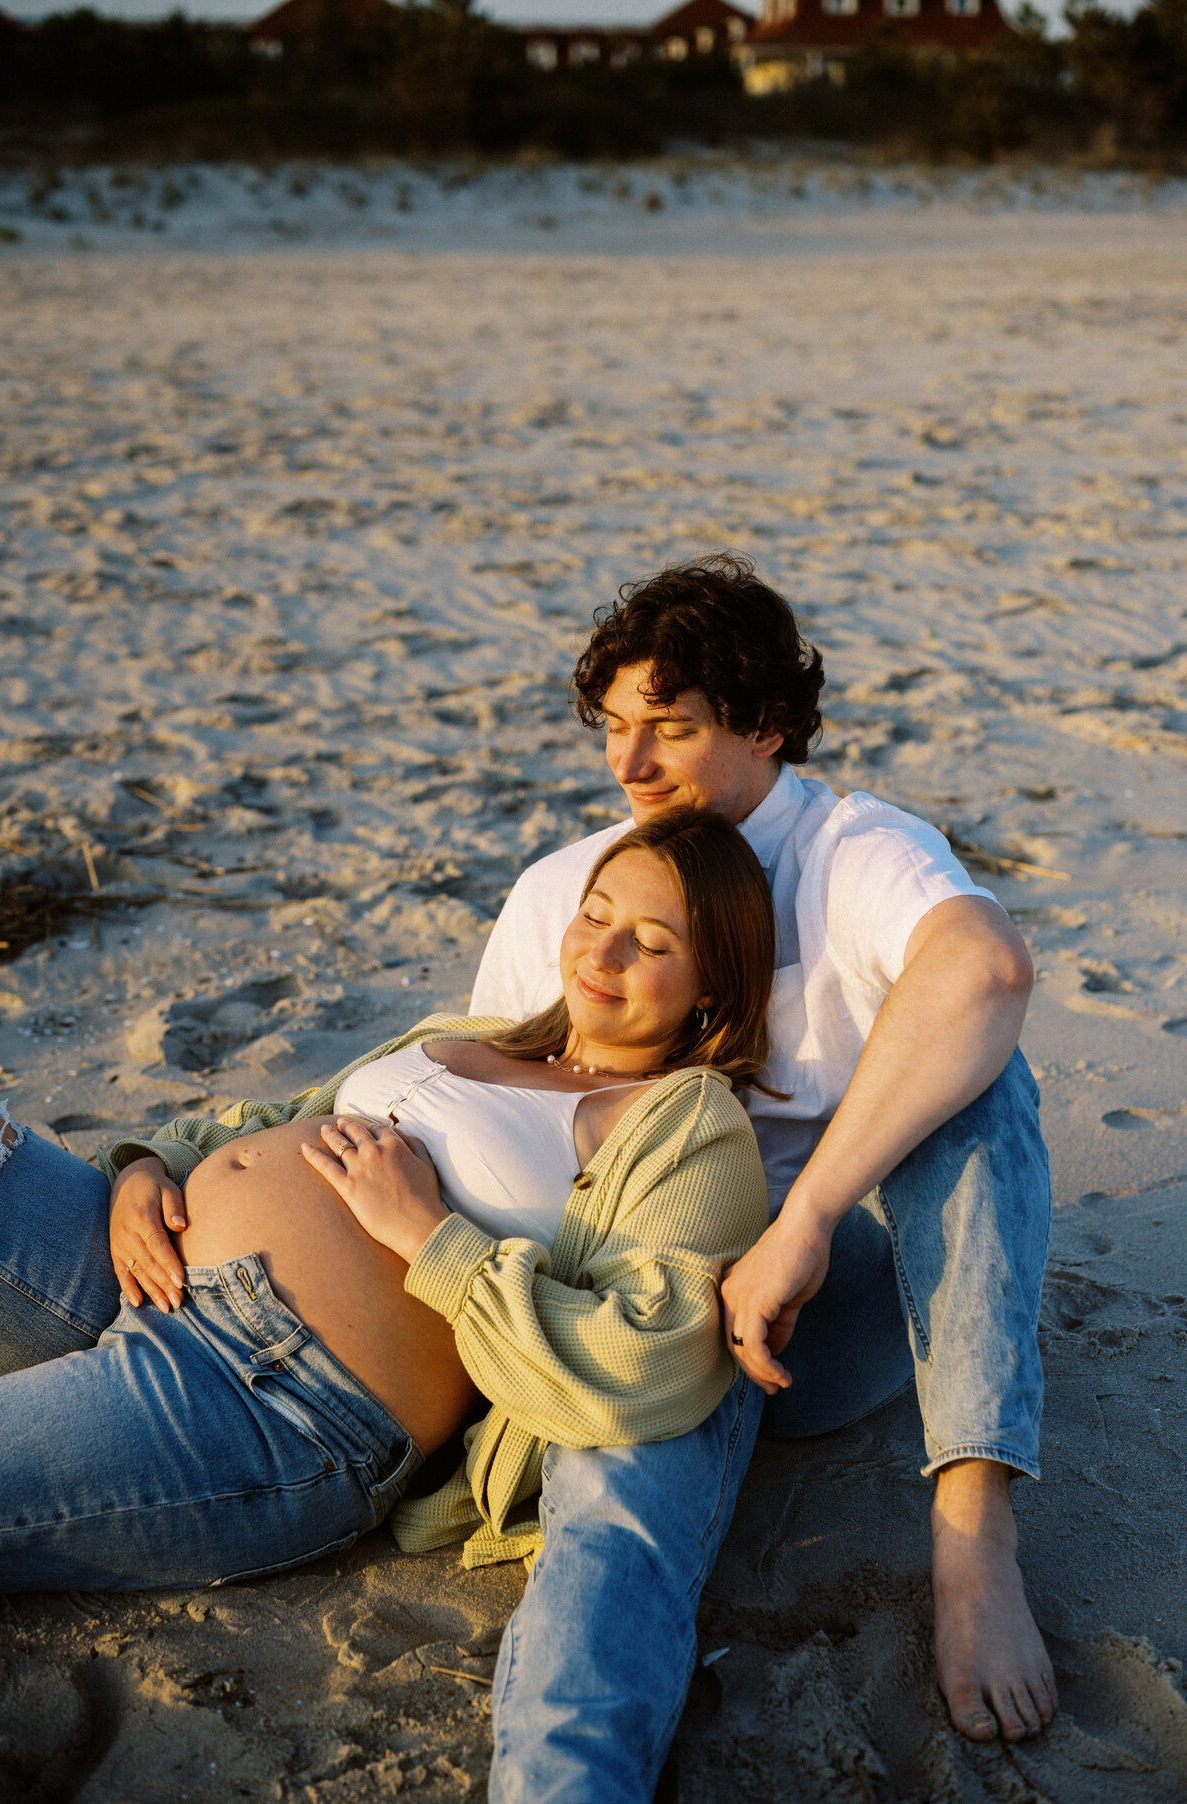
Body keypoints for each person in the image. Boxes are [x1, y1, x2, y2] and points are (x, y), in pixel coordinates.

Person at [471, 554, 1056, 1801]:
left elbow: (989, 968)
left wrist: (806, 1216)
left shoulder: (850, 851)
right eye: (615, 731)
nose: (630, 768)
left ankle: (972, 1538)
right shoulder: (559, 895)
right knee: (612, 1544)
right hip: (646, 1307)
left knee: (985, 1078)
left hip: (819, 1306)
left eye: (671, 729)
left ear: (769, 728)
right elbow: (482, 1108)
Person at [0, 810, 771, 1593]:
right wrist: (147, 1169)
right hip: (141, 1264)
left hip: (277, 1395)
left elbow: (653, 1353)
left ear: (713, 986)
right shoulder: (475, 1033)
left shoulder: (687, 1122)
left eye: (652, 943)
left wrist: (428, 1232)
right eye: (595, 915)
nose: (602, 952)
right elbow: (278, 1119)